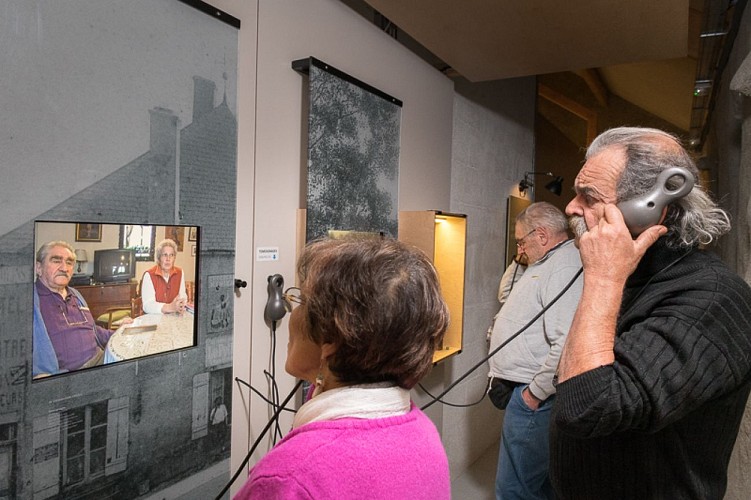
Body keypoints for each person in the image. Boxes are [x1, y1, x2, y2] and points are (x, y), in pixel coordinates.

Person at [552, 126, 751, 499]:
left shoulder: (711, 298)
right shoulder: (634, 278)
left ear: (651, 209)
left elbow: (586, 407)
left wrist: (603, 279)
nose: (571, 207)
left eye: (588, 197)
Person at [235, 237, 451, 499]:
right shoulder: (424, 433)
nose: (292, 311)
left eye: (301, 300)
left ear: (332, 339)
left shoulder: (289, 479)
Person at [487, 202, 583, 499]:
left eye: (521, 240)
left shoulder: (564, 264)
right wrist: (520, 258)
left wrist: (534, 394)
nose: (520, 246)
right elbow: (505, 292)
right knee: (539, 483)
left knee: (514, 488)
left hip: (534, 395)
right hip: (526, 389)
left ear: (541, 234)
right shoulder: (544, 262)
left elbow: (566, 339)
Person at [32, 240, 130, 377]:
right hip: (67, 376)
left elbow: (92, 330)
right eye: (56, 261)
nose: (64, 268)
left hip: (100, 359)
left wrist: (120, 332)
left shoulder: (75, 294)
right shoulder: (30, 300)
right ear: (38, 267)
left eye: (69, 262)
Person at [141, 238, 187, 314]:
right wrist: (169, 307)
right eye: (165, 255)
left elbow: (182, 296)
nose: (168, 259)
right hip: (153, 319)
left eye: (171, 255)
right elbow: (147, 305)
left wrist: (181, 304)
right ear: (159, 258)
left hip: (173, 318)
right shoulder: (149, 275)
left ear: (174, 258)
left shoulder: (180, 272)